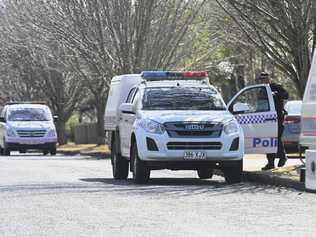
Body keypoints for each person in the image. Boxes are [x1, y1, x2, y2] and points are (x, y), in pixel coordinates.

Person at [256, 72, 289, 170]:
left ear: (267, 78)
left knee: (276, 137)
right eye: (260, 80)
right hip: (266, 118)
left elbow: (286, 95)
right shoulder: (262, 90)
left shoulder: (276, 87)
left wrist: (276, 94)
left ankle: (283, 157)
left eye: (263, 79)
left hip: (277, 117)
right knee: (269, 139)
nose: (262, 81)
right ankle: (270, 162)